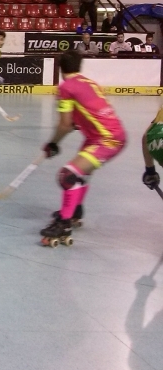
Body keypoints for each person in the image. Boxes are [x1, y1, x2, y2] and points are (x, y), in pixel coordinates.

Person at [39, 51, 127, 244]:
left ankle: (64, 223)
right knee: (81, 174)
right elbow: (82, 117)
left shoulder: (66, 88)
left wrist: (53, 143)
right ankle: (75, 211)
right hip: (104, 135)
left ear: (60, 68)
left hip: (107, 139)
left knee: (67, 176)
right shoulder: (89, 83)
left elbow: (65, 125)